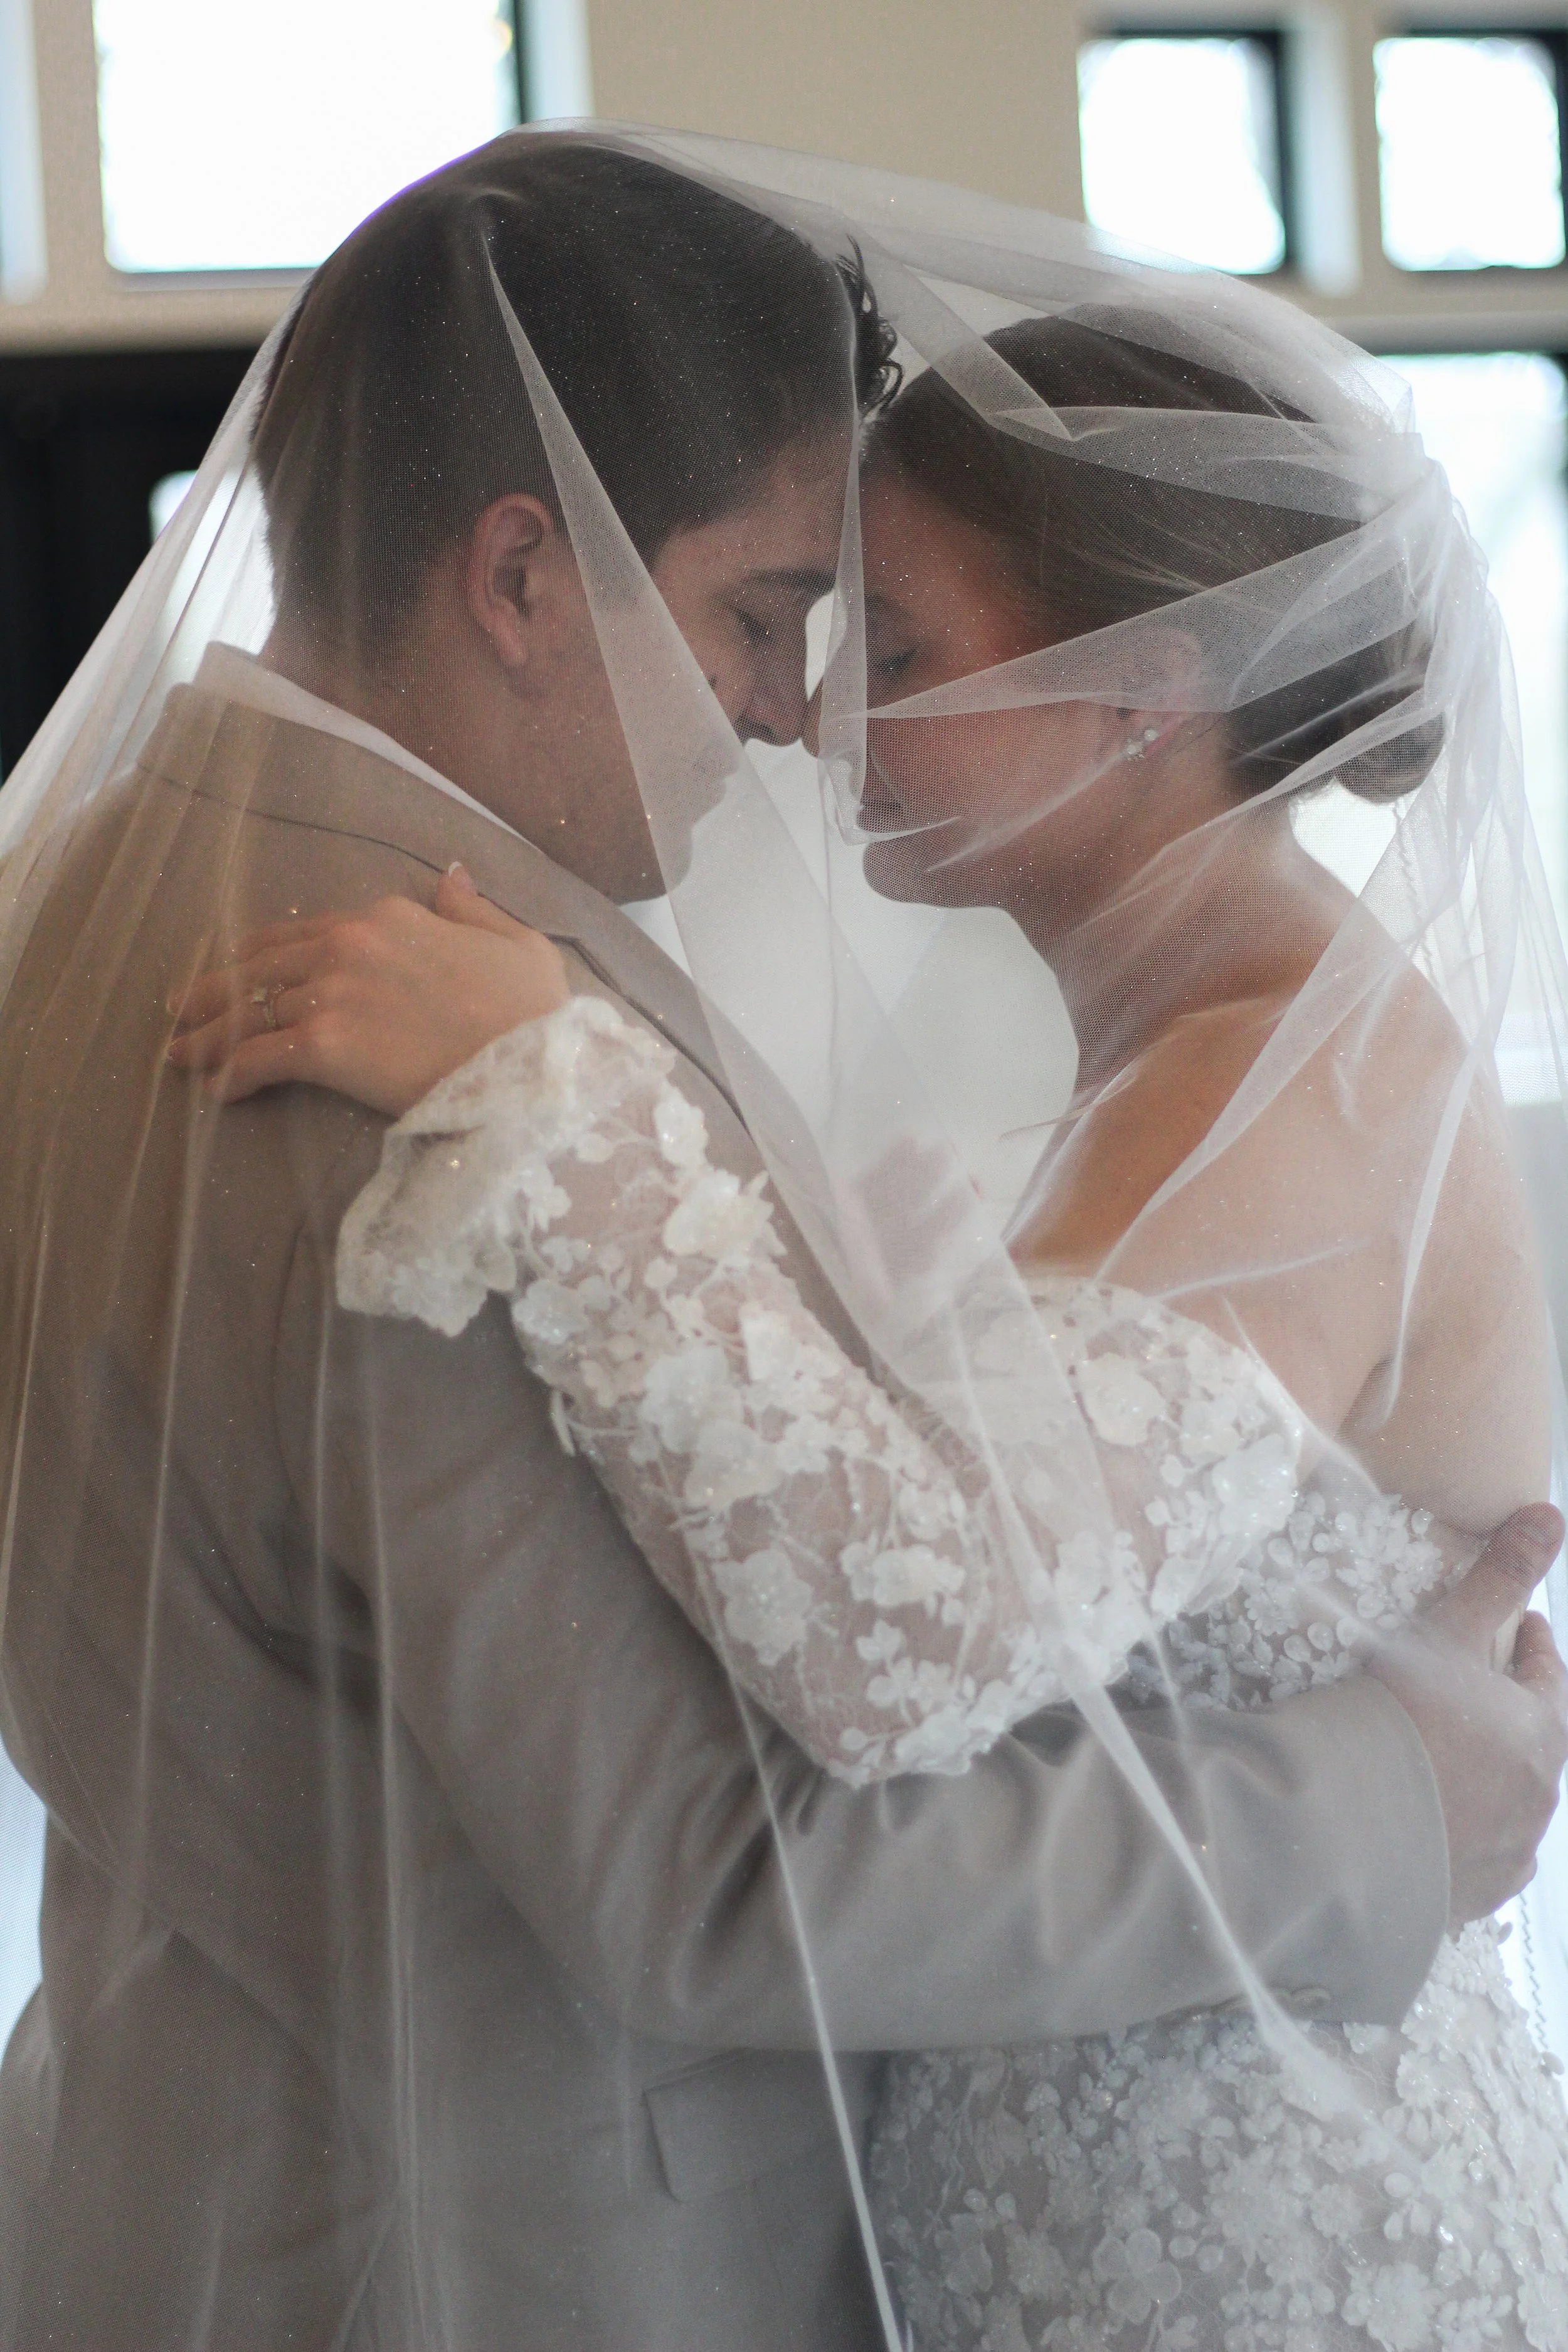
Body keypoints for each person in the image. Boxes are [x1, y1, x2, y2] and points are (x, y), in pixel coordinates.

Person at [0, 126, 1562, 2352]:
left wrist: (589, 1115)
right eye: (781, 612)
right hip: (475, 2256)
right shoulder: (383, 1030)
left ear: (1136, 689)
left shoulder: (92, 890)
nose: (802, 713)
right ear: (526, 575)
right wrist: (1391, 1811)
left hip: (1258, 2236)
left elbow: (899, 1601)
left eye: (879, 637)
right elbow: (712, 1874)